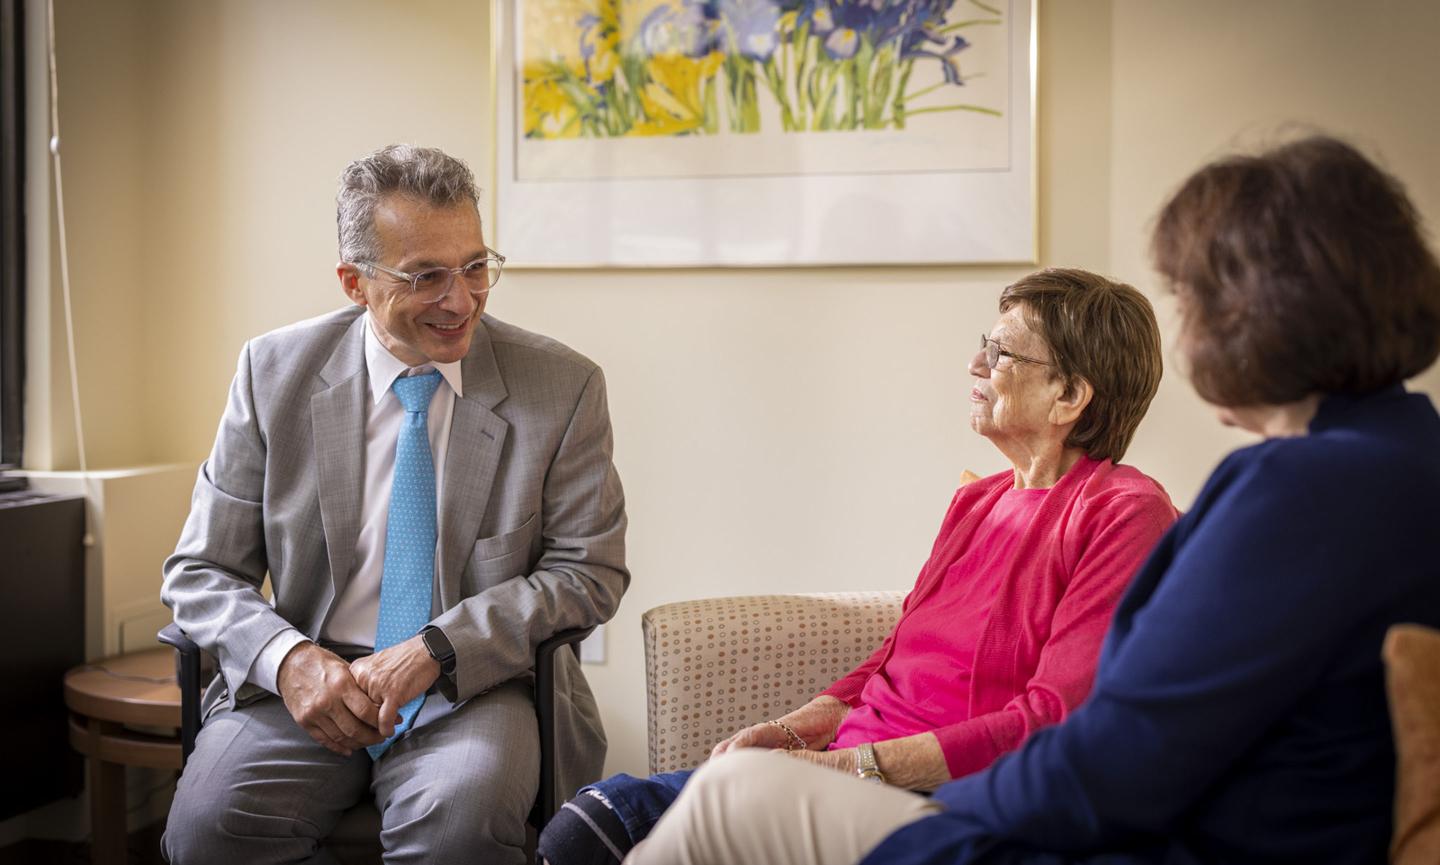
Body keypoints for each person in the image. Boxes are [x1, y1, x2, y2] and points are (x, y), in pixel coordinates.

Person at [624, 134, 1440, 865]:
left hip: (1163, 840)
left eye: (1193, 299)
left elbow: (1116, 757)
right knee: (685, 801)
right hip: (1163, 817)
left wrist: (926, 799)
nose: (1187, 333)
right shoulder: (1401, 456)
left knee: (735, 796)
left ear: (1263, 312)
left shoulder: (1296, 488)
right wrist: (823, 731)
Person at [539, 268, 1179, 865]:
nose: (975, 364)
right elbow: (894, 659)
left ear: (1067, 395)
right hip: (854, 770)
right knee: (589, 824)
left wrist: (854, 770)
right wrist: (798, 727)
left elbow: (1054, 720)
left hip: (946, 800)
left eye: (1002, 353)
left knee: (706, 807)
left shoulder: (1124, 512)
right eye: (984, 344)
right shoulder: (980, 501)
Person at [160, 144, 628, 865]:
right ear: (355, 282)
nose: (461, 298)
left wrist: (438, 648)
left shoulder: (561, 387)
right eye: (426, 276)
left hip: (474, 685)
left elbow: (588, 572)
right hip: (310, 681)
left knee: (457, 827)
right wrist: (289, 661)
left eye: (475, 266)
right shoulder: (271, 373)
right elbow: (199, 570)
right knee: (207, 830)